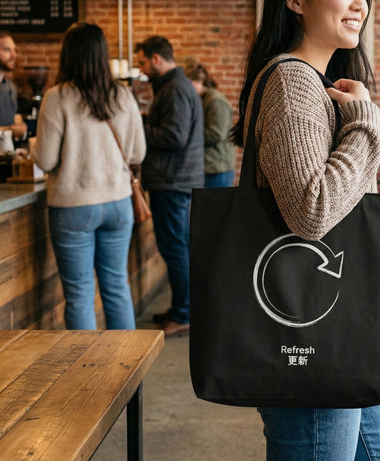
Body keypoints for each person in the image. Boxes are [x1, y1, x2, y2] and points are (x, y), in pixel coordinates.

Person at [231, 0, 380, 460]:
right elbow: (313, 213)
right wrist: (364, 126)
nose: (360, 3)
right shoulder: (293, 83)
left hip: (344, 324)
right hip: (309, 331)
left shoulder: (320, 83)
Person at [31, 22, 146, 330]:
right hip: (118, 203)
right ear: (101, 54)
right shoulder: (122, 95)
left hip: (73, 206)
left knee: (80, 296)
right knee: (117, 288)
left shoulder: (57, 97)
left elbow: (45, 159)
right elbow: (138, 154)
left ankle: (87, 378)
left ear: (67, 54)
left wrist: (31, 146)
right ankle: (131, 377)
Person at [135, 36, 204, 338]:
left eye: (141, 62)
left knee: (176, 249)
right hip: (176, 179)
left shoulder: (175, 89)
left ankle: (184, 313)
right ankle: (182, 307)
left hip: (173, 180)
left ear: (156, 59)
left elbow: (174, 137)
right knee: (178, 248)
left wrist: (141, 129)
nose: (140, 69)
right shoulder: (176, 86)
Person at [184, 59, 235, 187]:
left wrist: (189, 134)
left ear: (199, 81)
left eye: (189, 84)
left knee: (216, 207)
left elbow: (216, 134)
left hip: (218, 168)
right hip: (208, 167)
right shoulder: (202, 99)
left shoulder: (215, 100)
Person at [0, 34, 27, 142]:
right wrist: (11, 130)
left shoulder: (11, 87)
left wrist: (20, 126)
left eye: (14, 50)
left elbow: (15, 117)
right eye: (7, 50)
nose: (14, 55)